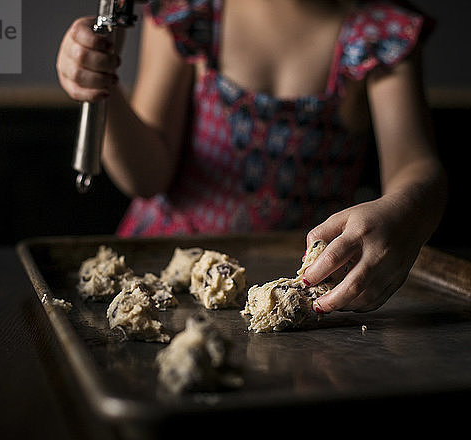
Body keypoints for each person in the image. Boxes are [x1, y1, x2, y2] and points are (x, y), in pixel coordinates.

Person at [56, 0, 447, 314]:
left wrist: (404, 209)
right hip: (160, 267)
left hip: (299, 287)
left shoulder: (381, 33)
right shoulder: (190, 13)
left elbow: (415, 165)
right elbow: (146, 178)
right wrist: (100, 87)